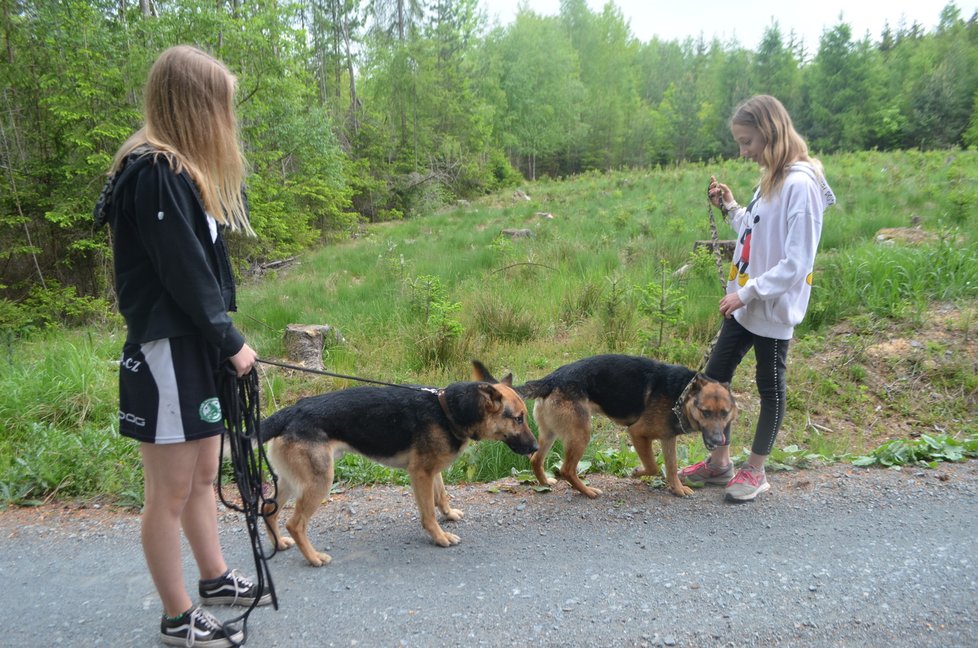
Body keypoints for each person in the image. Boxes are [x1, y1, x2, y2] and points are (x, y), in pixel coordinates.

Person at [94, 45, 270, 646]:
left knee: (201, 477)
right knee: (167, 493)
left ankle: (214, 577)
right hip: (168, 350)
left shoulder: (176, 174)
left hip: (193, 348)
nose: (228, 120)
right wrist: (231, 340)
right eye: (220, 106)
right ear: (196, 107)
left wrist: (219, 342)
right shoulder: (155, 172)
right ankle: (176, 617)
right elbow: (184, 274)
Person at [678, 94, 836, 503]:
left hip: (771, 306)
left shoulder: (800, 185)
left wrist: (747, 292)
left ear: (769, 132)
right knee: (714, 379)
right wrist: (730, 206)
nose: (744, 151)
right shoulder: (773, 177)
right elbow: (755, 230)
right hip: (745, 304)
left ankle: (756, 470)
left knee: (771, 387)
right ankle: (719, 463)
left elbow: (797, 262)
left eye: (748, 142)